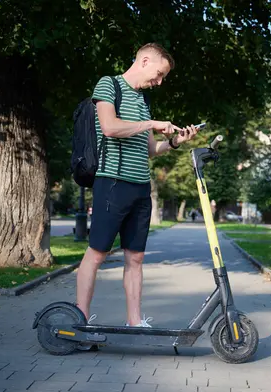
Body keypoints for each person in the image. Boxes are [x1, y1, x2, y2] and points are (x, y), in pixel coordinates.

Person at [75, 43, 200, 331]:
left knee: (136, 257)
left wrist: (175, 142)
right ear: (144, 61)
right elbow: (109, 127)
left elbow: (151, 150)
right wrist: (152, 123)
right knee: (97, 253)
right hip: (112, 183)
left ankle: (135, 321)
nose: (159, 82)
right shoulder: (109, 85)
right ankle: (79, 318)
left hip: (140, 188)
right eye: (158, 74)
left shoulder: (143, 102)